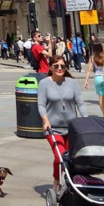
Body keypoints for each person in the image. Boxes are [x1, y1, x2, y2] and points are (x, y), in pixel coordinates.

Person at [38, 54, 88, 196]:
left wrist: (86, 118)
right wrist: (45, 120)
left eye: (62, 66)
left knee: (71, 158)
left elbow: (80, 103)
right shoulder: (44, 84)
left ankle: (71, 183)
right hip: (53, 129)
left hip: (72, 128)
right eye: (56, 66)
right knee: (60, 157)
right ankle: (56, 181)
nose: (60, 68)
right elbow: (41, 105)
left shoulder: (71, 83)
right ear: (51, 67)